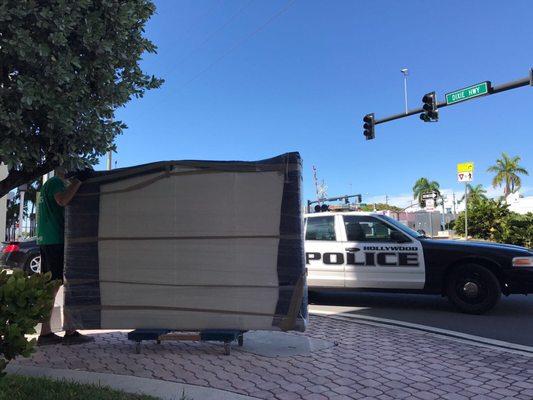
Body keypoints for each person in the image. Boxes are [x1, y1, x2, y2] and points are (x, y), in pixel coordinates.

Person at [36, 166, 94, 346]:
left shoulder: (50, 184)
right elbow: (63, 200)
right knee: (57, 286)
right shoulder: (55, 182)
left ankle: (50, 333)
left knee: (52, 286)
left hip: (49, 240)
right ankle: (65, 332)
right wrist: (79, 180)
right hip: (56, 241)